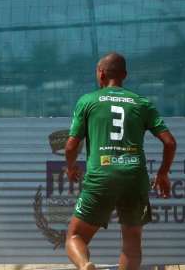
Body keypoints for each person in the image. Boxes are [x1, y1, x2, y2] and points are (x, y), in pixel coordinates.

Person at [65, 52, 176, 270]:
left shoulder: (88, 101)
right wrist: (163, 173)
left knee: (75, 236)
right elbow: (170, 143)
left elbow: (70, 146)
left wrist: (70, 167)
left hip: (102, 176)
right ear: (124, 75)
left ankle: (85, 264)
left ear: (101, 74)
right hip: (134, 176)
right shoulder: (142, 103)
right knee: (131, 244)